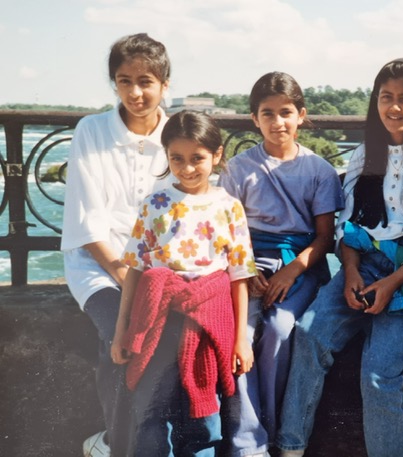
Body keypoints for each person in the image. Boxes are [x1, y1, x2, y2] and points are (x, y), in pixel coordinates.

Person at [275, 58, 403, 457]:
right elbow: (350, 225)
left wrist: (394, 280)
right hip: (364, 262)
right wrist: (349, 273)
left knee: (379, 372)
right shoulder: (366, 154)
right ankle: (290, 447)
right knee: (310, 334)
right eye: (386, 97)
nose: (394, 107)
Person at [109, 109, 257, 455]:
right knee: (151, 408)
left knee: (202, 414)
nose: (187, 168)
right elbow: (135, 269)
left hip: (206, 323)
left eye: (197, 159)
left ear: (217, 155)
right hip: (158, 321)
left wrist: (241, 340)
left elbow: (239, 277)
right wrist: (121, 331)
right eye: (177, 158)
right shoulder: (154, 205)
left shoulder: (229, 207)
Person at [218, 71, 344, 457]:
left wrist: (292, 270)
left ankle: (272, 429)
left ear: (301, 115)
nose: (278, 122)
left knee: (281, 328)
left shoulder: (318, 170)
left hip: (299, 263)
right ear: (254, 119)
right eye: (267, 114)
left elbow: (325, 238)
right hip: (247, 262)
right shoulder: (239, 169)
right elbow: (227, 232)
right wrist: (247, 269)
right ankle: (247, 442)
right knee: (240, 331)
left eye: (286, 112)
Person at [61, 32, 172, 457]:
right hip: (99, 264)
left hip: (160, 269)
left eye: (146, 81)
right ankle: (115, 444)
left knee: (174, 340)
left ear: (165, 84)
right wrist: (126, 276)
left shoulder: (177, 134)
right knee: (122, 337)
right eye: (124, 81)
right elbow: (87, 222)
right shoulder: (91, 130)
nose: (136, 92)